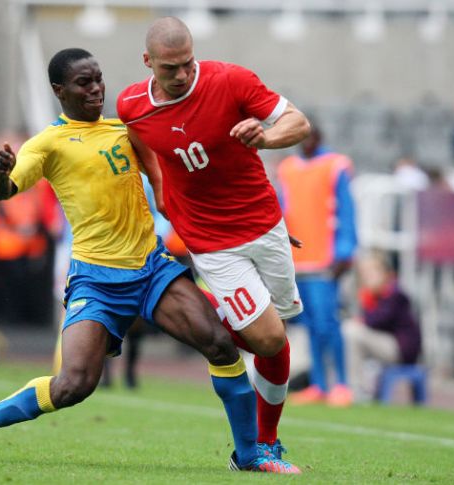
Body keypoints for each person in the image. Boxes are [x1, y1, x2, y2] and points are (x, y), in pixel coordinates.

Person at [0, 48, 298, 474]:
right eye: (83, 83)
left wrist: (252, 226)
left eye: (98, 79)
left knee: (218, 344)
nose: (95, 89)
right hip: (96, 280)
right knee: (73, 385)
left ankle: (250, 454)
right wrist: (1, 176)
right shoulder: (48, 143)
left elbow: (177, 188)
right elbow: (5, 191)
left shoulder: (126, 129)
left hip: (151, 269)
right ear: (59, 90)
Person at [117, 16, 311, 467]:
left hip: (265, 226)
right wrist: (162, 190)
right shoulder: (131, 105)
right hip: (213, 243)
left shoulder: (231, 80)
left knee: (277, 340)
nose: (182, 75)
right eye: (170, 69)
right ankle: (259, 445)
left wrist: (265, 137)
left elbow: (298, 124)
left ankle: (268, 439)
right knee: (268, 338)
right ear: (148, 62)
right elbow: (139, 141)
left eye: (187, 63)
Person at [278, 125, 358, 407]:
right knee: (310, 326)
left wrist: (345, 251)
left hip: (325, 260)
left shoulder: (335, 166)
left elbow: (346, 210)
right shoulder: (288, 168)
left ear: (319, 138)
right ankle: (320, 384)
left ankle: (343, 384)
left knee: (328, 324)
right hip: (298, 259)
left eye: (309, 137)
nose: (305, 143)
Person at [345, 250, 422, 399]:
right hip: (388, 345)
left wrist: (365, 302)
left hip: (401, 350)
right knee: (350, 332)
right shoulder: (376, 295)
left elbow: (377, 320)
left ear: (385, 273)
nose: (368, 277)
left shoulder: (395, 294)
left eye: (372, 272)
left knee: (352, 331)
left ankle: (357, 391)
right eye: (364, 273)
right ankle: (357, 387)